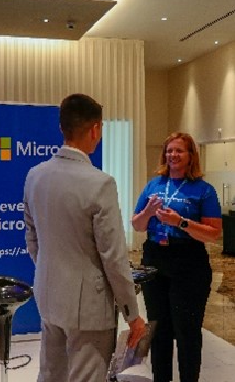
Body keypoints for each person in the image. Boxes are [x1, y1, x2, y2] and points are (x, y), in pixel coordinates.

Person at [24, 93, 146, 382]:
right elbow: (114, 259)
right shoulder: (100, 183)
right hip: (89, 308)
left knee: (50, 374)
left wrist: (54, 273)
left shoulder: (35, 176)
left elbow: (32, 239)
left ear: (62, 128)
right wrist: (132, 314)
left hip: (48, 294)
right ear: (95, 129)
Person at [132, 132, 222, 382]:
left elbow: (213, 234)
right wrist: (148, 212)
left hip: (188, 261)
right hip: (155, 258)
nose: (173, 155)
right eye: (169, 150)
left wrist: (180, 222)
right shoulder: (154, 185)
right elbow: (137, 225)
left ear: (191, 155)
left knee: (186, 331)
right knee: (158, 328)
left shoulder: (203, 190)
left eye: (179, 151)